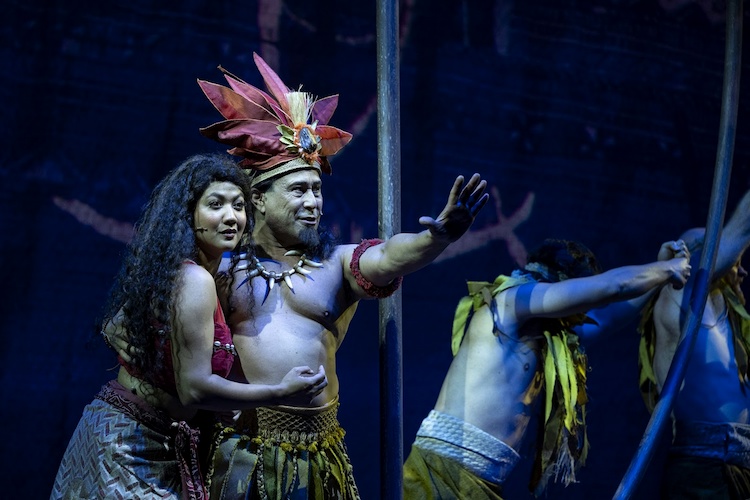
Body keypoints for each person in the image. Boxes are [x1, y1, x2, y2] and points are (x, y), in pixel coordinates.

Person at [193, 53, 490, 499]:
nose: (313, 202)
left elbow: (389, 256)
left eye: (317, 190)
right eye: (299, 190)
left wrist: (437, 238)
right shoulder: (220, 269)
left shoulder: (335, 264)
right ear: (258, 199)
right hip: (240, 453)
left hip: (316, 457)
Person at [51, 153, 329, 500]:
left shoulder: (203, 273)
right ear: (188, 213)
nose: (231, 217)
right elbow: (194, 389)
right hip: (127, 446)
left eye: (238, 206)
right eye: (215, 205)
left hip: (156, 441)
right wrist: (280, 392)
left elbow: (121, 322)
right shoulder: (193, 278)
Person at [402, 237, 692, 499]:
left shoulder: (549, 331)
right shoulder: (511, 301)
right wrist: (665, 269)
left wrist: (657, 274)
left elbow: (608, 317)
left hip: (480, 481)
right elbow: (611, 287)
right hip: (443, 469)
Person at [637, 189, 750, 499]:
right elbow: (740, 231)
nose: (740, 268)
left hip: (739, 463)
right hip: (706, 467)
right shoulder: (677, 297)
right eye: (733, 260)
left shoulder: (730, 320)